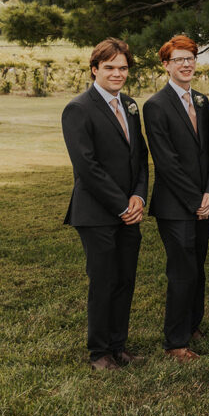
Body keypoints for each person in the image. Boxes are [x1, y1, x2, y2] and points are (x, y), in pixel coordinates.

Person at [61, 38, 148, 371]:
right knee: (104, 280)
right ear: (94, 68)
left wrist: (138, 196)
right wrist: (121, 205)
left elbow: (139, 157)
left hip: (130, 211)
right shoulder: (78, 108)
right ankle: (99, 352)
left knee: (125, 279)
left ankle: (118, 345)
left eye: (123, 67)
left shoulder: (130, 105)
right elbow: (87, 165)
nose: (117, 73)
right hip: (96, 213)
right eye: (110, 67)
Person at [142, 35, 209, 362]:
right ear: (166, 65)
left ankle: (192, 324)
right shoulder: (155, 106)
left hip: (203, 202)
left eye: (190, 59)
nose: (186, 65)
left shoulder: (202, 101)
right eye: (178, 60)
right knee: (181, 271)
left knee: (198, 267)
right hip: (175, 207)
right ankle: (175, 342)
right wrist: (195, 200)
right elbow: (167, 162)